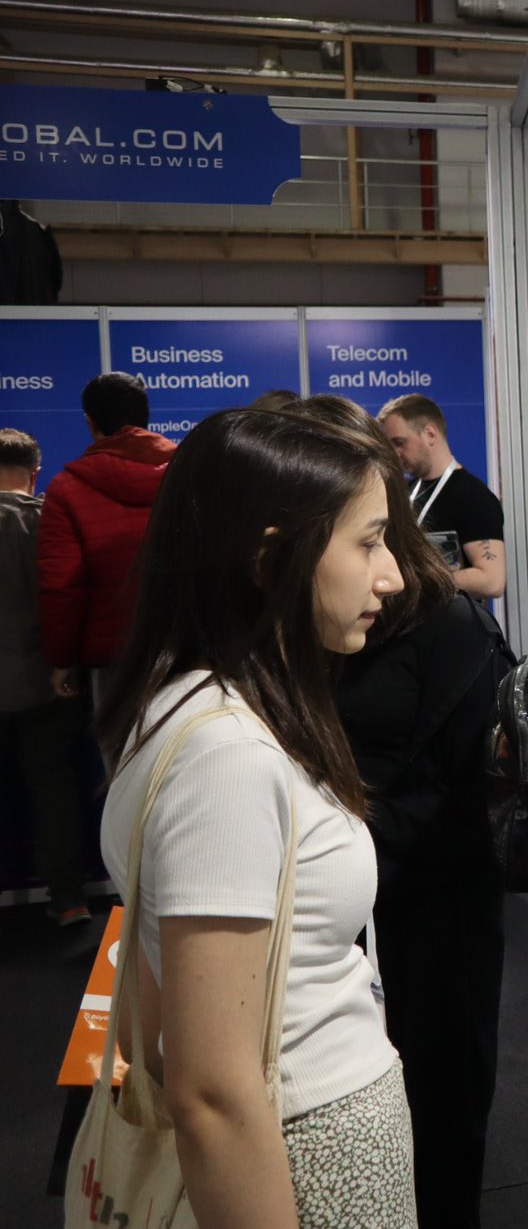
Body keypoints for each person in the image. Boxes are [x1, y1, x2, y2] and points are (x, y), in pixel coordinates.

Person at [96, 407, 417, 1226]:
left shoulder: (203, 710)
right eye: (369, 543)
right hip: (307, 1153)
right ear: (273, 558)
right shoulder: (227, 756)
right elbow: (212, 1091)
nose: (391, 577)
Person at [296, 395, 512, 1229]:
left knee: (440, 1097)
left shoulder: (450, 627)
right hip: (333, 916)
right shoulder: (287, 635)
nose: (380, 573)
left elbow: (477, 796)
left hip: (430, 902)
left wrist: (356, 838)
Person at [37, 371, 176, 704]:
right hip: (185, 647)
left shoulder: (67, 488)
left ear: (90, 422)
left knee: (120, 738)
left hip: (112, 657)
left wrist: (63, 660)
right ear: (146, 415)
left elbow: (60, 585)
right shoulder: (190, 472)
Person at [0, 428, 91, 932]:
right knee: (54, 788)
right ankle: (70, 897)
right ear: (36, 473)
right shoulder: (51, 523)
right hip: (47, 681)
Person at [377, 394, 504, 601]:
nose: (395, 453)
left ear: (430, 434)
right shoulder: (406, 492)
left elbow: (492, 580)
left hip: (452, 619)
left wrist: (420, 580)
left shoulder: (472, 496)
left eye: (399, 442)